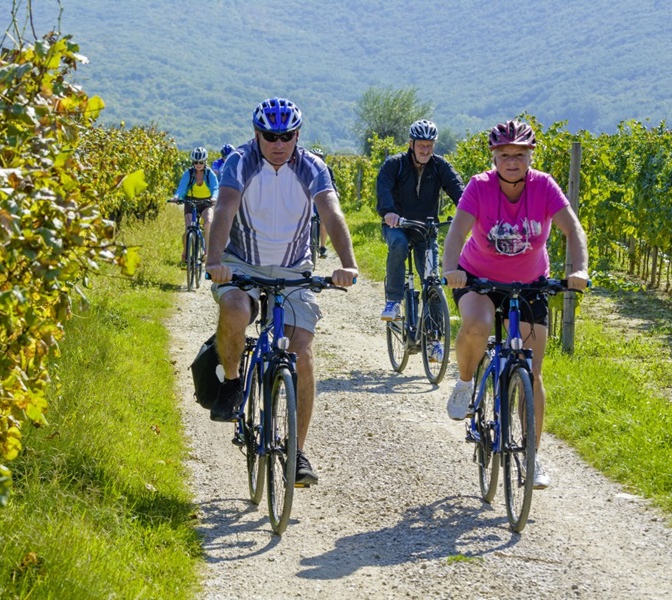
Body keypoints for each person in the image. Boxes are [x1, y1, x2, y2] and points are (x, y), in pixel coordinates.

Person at [205, 97, 358, 486]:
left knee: (302, 354)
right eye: (270, 136)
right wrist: (213, 260)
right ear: (257, 134)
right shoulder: (240, 162)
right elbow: (224, 208)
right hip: (242, 263)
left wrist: (348, 263)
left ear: (297, 135)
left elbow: (330, 212)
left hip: (294, 268)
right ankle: (232, 378)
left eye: (286, 135)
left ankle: (297, 453)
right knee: (236, 310)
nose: (278, 143)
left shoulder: (312, 166)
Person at [442, 119, 589, 490]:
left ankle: (532, 456)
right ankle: (463, 382)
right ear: (494, 157)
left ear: (529, 156)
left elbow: (573, 229)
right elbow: (458, 231)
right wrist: (450, 269)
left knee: (532, 371)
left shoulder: (544, 186)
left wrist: (580, 269)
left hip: (529, 285)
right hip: (479, 279)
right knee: (476, 324)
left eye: (519, 155)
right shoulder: (479, 187)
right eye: (504, 155)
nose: (511, 161)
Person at [377, 119, 465, 362]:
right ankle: (394, 301)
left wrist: (468, 211)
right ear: (411, 144)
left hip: (426, 229)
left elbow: (458, 189)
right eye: (421, 145)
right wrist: (389, 212)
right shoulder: (394, 165)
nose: (425, 150)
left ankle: (434, 341)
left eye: (430, 145)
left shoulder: (440, 166)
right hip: (398, 225)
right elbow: (383, 188)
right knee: (399, 245)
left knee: (432, 282)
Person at [173, 147, 218, 266]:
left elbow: (215, 188)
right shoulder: (188, 173)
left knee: (208, 223)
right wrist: (177, 197)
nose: (198, 165)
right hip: (190, 202)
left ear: (205, 162)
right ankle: (185, 254)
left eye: (201, 162)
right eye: (196, 162)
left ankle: (207, 253)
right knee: (188, 229)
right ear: (193, 162)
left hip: (207, 202)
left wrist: (214, 197)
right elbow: (182, 188)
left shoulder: (209, 174)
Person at [309, 147, 334, 258]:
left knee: (324, 221)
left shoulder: (327, 170)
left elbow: (332, 184)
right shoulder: (305, 169)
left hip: (321, 200)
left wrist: (335, 194)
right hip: (309, 199)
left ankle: (322, 247)